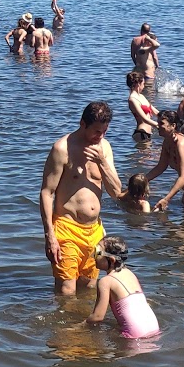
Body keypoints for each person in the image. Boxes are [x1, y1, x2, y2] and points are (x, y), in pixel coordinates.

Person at [40, 101, 125, 294]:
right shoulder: (63, 149)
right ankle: (63, 325)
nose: (100, 136)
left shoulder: (104, 148)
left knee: (88, 288)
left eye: (104, 131)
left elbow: (116, 192)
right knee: (66, 291)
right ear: (82, 123)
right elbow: (47, 192)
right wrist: (49, 235)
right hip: (67, 228)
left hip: (94, 231)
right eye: (96, 131)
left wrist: (101, 162)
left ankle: (83, 324)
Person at [86, 237, 160, 339]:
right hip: (153, 328)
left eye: (97, 253)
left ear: (111, 260)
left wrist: (79, 326)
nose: (94, 256)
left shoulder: (105, 282)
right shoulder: (130, 274)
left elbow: (97, 317)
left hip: (134, 335)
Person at [126, 70, 157, 140]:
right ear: (138, 84)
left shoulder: (142, 96)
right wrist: (160, 125)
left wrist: (169, 120)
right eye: (143, 83)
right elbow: (145, 119)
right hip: (141, 133)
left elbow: (155, 112)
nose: (144, 86)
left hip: (148, 132)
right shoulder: (132, 100)